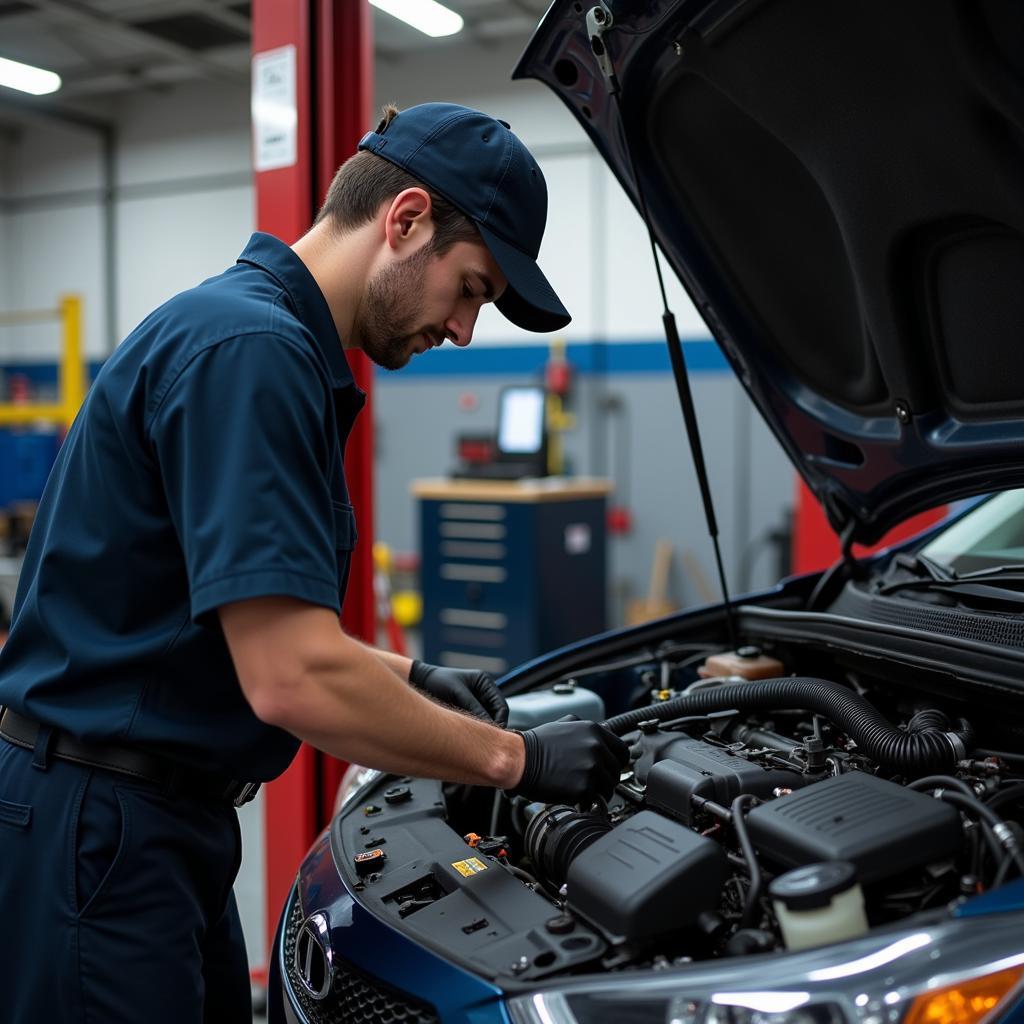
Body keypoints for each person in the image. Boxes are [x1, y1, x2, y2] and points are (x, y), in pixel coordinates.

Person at [0, 102, 629, 1023]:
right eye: (470, 289)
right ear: (405, 219)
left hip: (152, 822)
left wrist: (414, 677)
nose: (462, 330)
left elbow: (244, 620)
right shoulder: (252, 353)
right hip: (100, 831)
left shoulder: (253, 338)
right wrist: (515, 758)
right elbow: (292, 678)